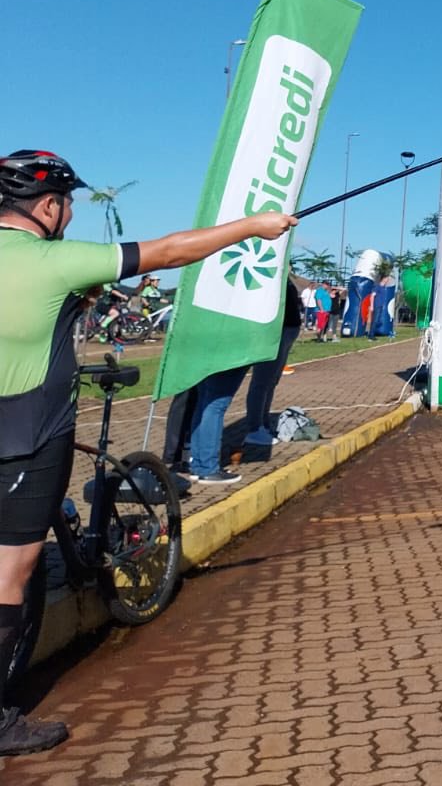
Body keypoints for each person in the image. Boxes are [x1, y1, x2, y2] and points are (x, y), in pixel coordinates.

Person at [0, 149, 296, 755]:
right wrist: (253, 225)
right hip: (28, 440)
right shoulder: (57, 260)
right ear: (49, 206)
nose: (70, 215)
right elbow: (170, 251)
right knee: (11, 574)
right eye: (68, 204)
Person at [242, 285, 304, 449]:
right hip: (275, 332)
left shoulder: (285, 279)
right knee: (262, 382)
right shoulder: (270, 279)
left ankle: (263, 423)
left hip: (288, 330)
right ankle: (254, 427)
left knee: (271, 382)